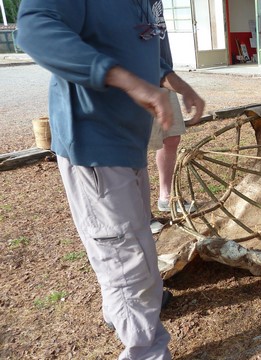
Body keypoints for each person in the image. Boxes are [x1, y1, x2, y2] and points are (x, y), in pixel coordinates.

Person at [16, 0, 204, 358]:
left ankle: (124, 308)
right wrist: (130, 82)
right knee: (125, 254)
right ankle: (145, 350)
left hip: (126, 141)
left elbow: (140, 47)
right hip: (94, 142)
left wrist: (175, 82)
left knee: (128, 241)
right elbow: (35, 28)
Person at [148, 34, 204, 234]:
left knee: (171, 138)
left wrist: (179, 85)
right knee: (136, 145)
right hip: (137, 77)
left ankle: (166, 196)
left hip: (162, 74)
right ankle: (141, 213)